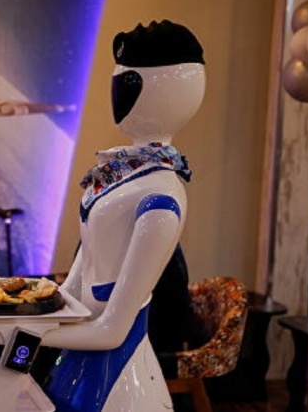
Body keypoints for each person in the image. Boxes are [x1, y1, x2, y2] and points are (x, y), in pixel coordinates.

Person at [36, 20, 207, 411]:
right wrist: (21, 311)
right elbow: (73, 288)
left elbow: (114, 330)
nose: (118, 94)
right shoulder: (115, 178)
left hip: (119, 382)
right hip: (76, 365)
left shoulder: (161, 195)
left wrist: (24, 334)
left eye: (127, 83)